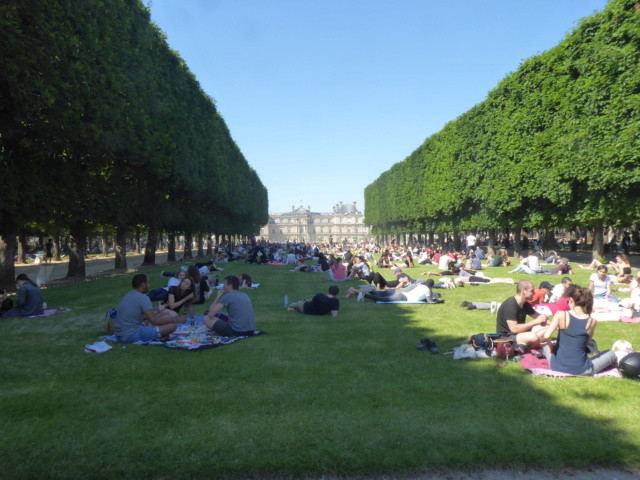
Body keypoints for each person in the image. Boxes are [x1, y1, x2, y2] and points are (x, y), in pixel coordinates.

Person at [541, 286, 617, 375]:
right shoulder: (592, 321)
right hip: (582, 369)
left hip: (557, 366)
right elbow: (587, 342)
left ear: (571, 300)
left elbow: (546, 336)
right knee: (611, 353)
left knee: (546, 348)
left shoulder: (561, 314)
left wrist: (551, 348)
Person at [114, 274, 182, 343]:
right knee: (172, 326)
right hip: (131, 335)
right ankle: (160, 336)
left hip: (119, 336)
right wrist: (176, 321)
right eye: (148, 283)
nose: (149, 285)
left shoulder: (127, 295)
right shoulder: (143, 298)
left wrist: (158, 311)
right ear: (143, 285)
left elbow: (143, 317)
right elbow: (154, 321)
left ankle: (160, 335)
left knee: (148, 321)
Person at [495, 280, 548, 347]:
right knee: (533, 337)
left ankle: (532, 343)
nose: (534, 293)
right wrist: (536, 322)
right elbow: (514, 329)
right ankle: (538, 345)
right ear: (523, 291)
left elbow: (540, 317)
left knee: (547, 328)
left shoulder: (524, 304)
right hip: (507, 337)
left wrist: (557, 325)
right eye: (532, 291)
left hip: (520, 333)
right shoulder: (510, 305)